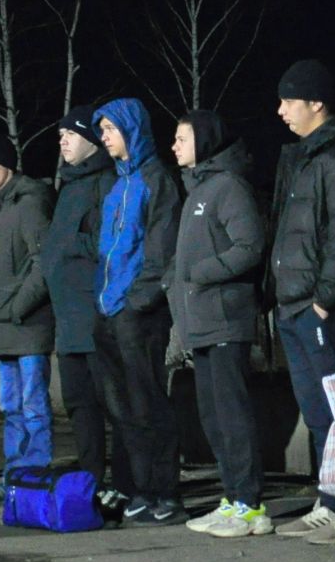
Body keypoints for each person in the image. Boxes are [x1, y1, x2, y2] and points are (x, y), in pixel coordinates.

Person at [266, 59, 335, 545]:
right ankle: (330, 499)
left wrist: (326, 299)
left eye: (289, 100)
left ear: (316, 103)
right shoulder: (301, 157)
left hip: (315, 306)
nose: (281, 110)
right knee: (317, 411)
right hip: (291, 305)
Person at [167, 111, 271, 539]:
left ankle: (251, 506)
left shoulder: (227, 187)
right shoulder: (197, 191)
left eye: (181, 138)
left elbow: (251, 245)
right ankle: (233, 498)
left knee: (232, 415)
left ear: (204, 142)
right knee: (212, 417)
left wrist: (202, 273)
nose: (173, 145)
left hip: (227, 320)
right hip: (202, 324)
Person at [92, 98, 185, 525]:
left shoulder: (156, 180)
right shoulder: (116, 187)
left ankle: (166, 493)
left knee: (149, 404)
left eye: (111, 129)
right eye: (103, 130)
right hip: (109, 312)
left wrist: (136, 302)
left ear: (131, 130)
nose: (105, 138)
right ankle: (141, 489)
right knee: (123, 409)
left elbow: (160, 251)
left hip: (138, 314)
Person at [40, 106, 126, 497]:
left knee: (114, 405)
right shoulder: (68, 186)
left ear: (91, 142)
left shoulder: (105, 183)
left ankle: (127, 483)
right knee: (78, 403)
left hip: (96, 317)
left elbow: (109, 246)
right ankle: (92, 477)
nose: (63, 141)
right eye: (60, 135)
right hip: (68, 320)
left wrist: (67, 244)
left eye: (70, 135)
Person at [0, 134, 57, 505]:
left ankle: (34, 475)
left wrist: (17, 307)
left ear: (7, 163)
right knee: (11, 407)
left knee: (33, 405)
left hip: (27, 327)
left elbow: (43, 264)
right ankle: (15, 479)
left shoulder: (30, 204)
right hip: (2, 330)